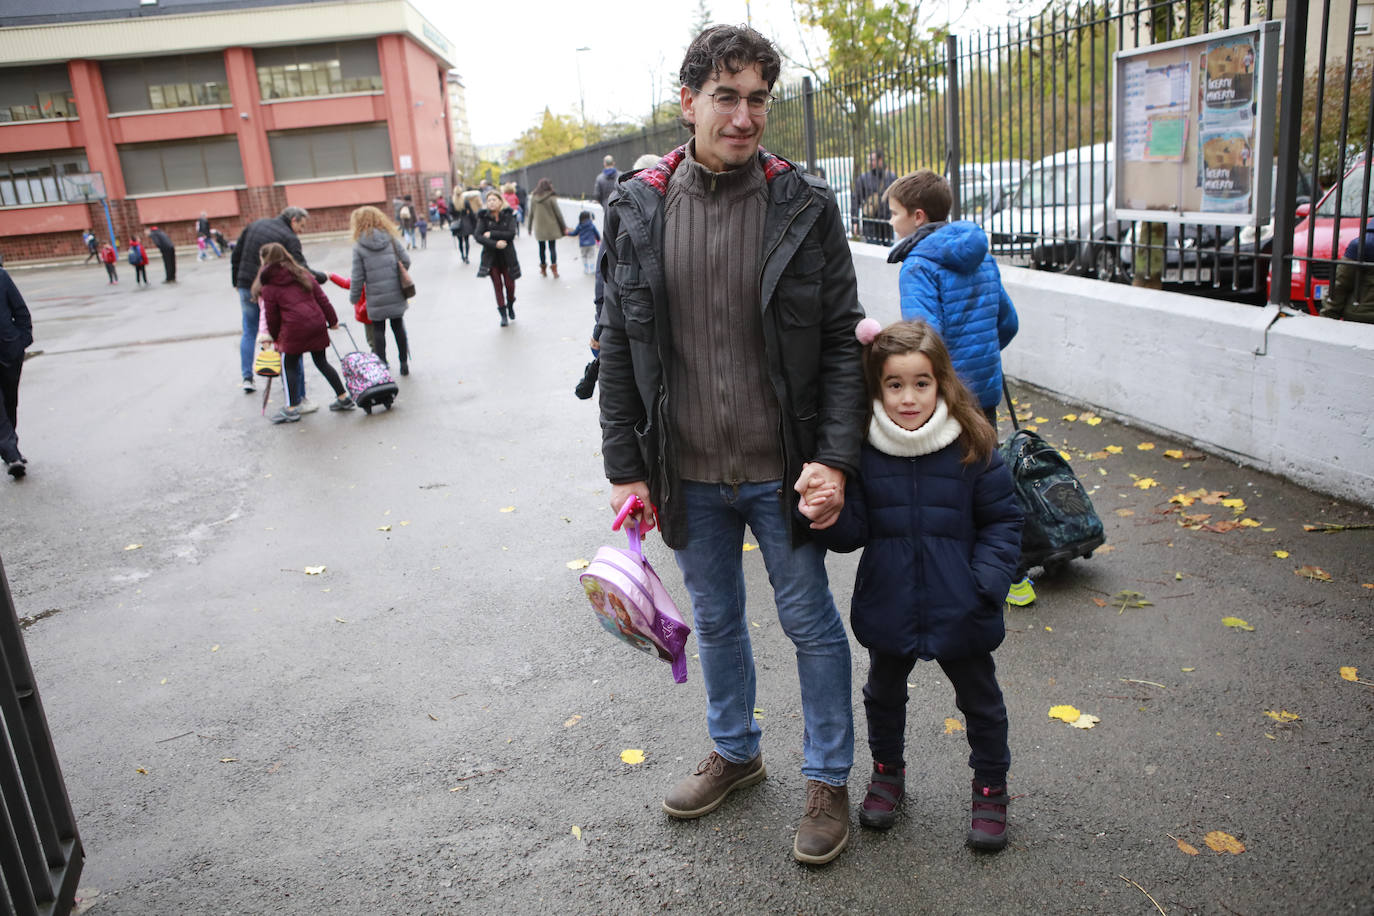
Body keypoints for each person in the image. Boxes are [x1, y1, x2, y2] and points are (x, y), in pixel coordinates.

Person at [598, 24, 868, 866]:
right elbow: (616, 344)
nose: (745, 116)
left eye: (757, 99)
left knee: (811, 625)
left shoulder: (804, 206)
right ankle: (737, 753)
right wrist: (625, 469)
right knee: (716, 622)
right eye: (727, 96)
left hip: (779, 469)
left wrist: (832, 457)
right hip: (685, 470)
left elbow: (838, 345)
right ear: (688, 104)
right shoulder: (638, 208)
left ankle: (827, 780)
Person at [811, 318, 1021, 852]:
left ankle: (991, 789)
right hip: (891, 600)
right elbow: (852, 534)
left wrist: (986, 586)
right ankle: (886, 774)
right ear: (877, 387)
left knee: (982, 701)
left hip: (963, 603)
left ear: (941, 382)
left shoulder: (973, 443)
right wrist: (828, 513)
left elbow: (1003, 522)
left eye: (921, 383)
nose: (909, 398)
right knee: (883, 693)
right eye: (895, 384)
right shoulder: (865, 448)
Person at [885, 169, 1026, 604]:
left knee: (947, 490)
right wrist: (981, 357)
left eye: (894, 213)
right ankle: (1016, 578)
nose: (890, 221)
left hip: (947, 398)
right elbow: (1008, 322)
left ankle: (957, 582)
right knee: (990, 483)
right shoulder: (979, 253)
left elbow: (925, 343)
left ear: (917, 215)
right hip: (984, 391)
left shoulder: (919, 266)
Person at [253, 243, 354, 424]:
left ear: (265, 260)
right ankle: (343, 397)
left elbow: (272, 315)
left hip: (292, 329)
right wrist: (332, 321)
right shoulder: (302, 274)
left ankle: (291, 409)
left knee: (289, 366)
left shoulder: (269, 285)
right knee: (322, 362)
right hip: (315, 323)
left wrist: (275, 337)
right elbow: (322, 299)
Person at [232, 206, 327, 394]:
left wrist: (236, 280)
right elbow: (300, 267)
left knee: (250, 330)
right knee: (285, 334)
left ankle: (247, 378)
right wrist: (322, 277)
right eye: (302, 225)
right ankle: (292, 386)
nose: (302, 230)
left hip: (247, 285)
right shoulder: (289, 238)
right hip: (272, 291)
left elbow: (236, 255)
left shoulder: (255, 225)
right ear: (293, 220)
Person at [347, 206, 412, 375]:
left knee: (378, 330)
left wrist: (354, 297)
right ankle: (404, 363)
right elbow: (406, 260)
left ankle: (382, 364)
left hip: (375, 296)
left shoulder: (359, 245)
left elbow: (357, 276)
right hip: (395, 291)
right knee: (398, 326)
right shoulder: (390, 238)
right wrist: (395, 273)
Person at [0, 267, 33, 479]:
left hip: (9, 350)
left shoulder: (1, 276)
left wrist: (22, 341)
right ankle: (12, 454)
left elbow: (20, 309)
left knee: (10, 400)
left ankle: (10, 449)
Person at [475, 189, 521, 327]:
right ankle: (503, 315)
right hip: (492, 259)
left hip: (508, 258)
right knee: (498, 287)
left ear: (501, 202)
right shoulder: (483, 218)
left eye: (494, 200)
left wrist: (492, 233)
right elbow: (478, 236)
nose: (491, 203)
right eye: (488, 200)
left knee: (510, 285)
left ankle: (511, 303)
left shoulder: (508, 216)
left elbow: (511, 234)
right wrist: (496, 244)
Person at [1321, 221, 1374, 324]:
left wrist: (1327, 319)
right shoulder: (1364, 244)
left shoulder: (1363, 244)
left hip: (1361, 317)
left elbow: (1340, 285)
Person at [853, 149, 897, 245]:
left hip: (886, 223)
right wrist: (855, 221)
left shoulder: (891, 177)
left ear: (880, 160)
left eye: (872, 160)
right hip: (870, 223)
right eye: (868, 160)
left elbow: (897, 198)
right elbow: (856, 201)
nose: (869, 162)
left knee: (888, 253)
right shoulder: (863, 178)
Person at [528, 177, 567, 278]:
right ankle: (554, 270)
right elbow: (558, 214)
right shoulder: (551, 197)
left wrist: (529, 227)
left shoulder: (534, 197)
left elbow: (531, 213)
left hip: (539, 228)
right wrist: (564, 227)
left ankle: (543, 269)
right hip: (551, 227)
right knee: (552, 248)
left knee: (541, 248)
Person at [567, 210, 601, 275]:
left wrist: (568, 233)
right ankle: (591, 270)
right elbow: (597, 233)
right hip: (591, 244)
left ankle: (586, 269)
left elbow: (574, 233)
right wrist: (598, 239)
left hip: (582, 245)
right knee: (591, 256)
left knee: (584, 256)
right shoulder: (591, 225)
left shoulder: (579, 225)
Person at [452, 189, 479, 264]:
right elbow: (471, 212)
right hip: (465, 221)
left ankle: (462, 255)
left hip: (457, 222)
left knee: (460, 241)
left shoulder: (452, 202)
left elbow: (450, 212)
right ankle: (467, 256)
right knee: (466, 240)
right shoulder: (465, 201)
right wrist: (474, 222)